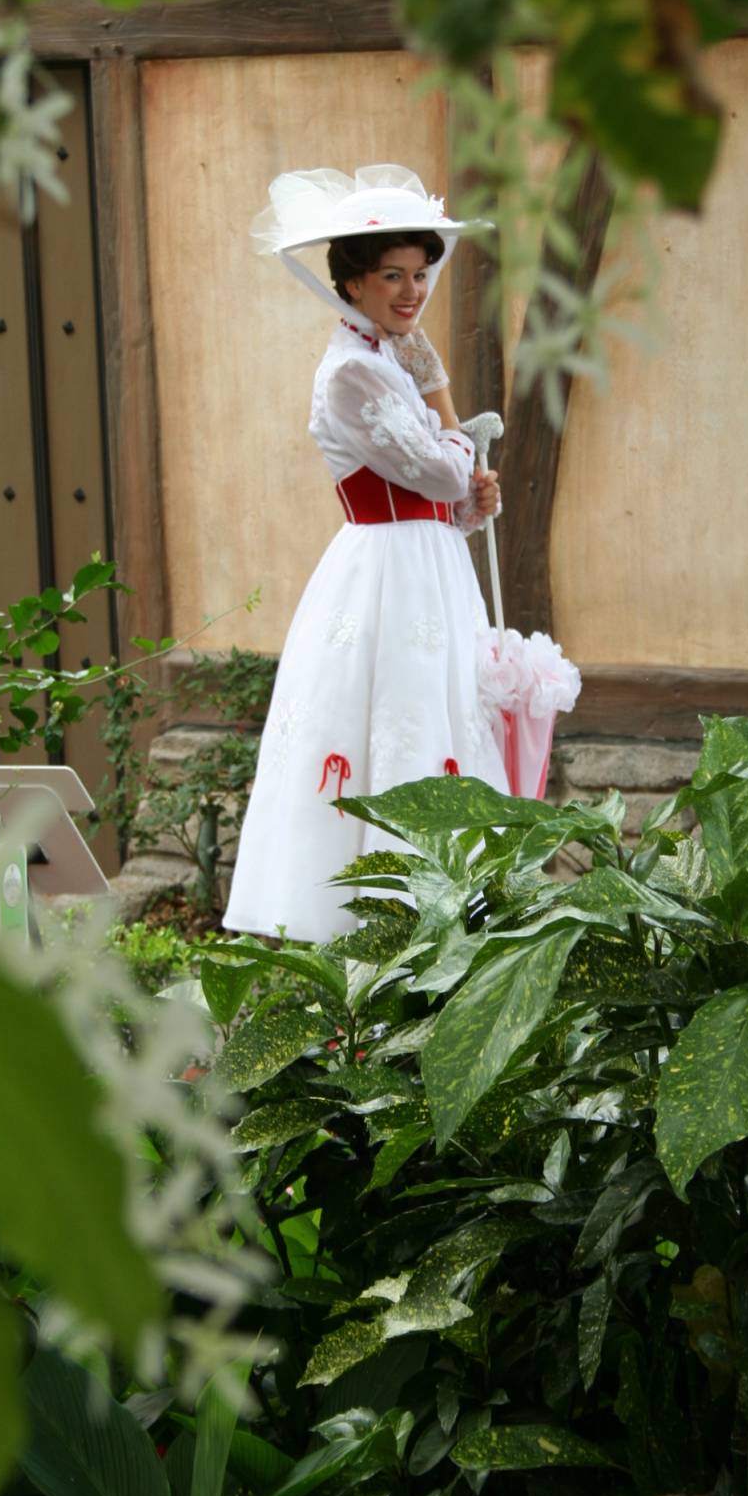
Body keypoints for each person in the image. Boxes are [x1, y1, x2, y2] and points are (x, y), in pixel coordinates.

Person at [223, 166, 507, 944]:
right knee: (388, 722)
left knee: (440, 714)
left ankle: (450, 914)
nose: (412, 291)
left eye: (419, 274)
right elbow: (441, 464)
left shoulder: (385, 357)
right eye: (392, 275)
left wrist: (469, 507)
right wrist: (444, 397)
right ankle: (374, 917)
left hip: (428, 566)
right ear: (351, 281)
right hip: (382, 576)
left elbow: (447, 495)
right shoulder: (353, 370)